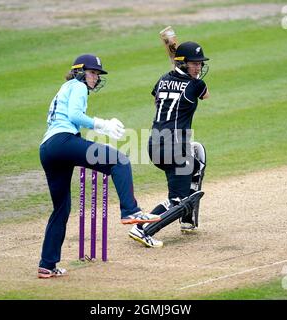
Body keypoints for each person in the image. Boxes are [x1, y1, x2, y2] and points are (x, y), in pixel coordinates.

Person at [38, 54, 161, 278]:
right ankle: (131, 211)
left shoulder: (66, 87)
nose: (95, 77)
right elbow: (74, 115)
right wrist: (102, 124)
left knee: (61, 208)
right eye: (93, 73)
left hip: (48, 149)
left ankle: (47, 264)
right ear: (80, 72)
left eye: (97, 74)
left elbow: (69, 117)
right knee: (120, 160)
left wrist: (97, 127)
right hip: (63, 142)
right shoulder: (78, 86)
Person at [128, 41, 210, 248]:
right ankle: (142, 227)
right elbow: (205, 96)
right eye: (194, 64)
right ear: (182, 63)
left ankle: (187, 219)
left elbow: (157, 99)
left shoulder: (163, 79)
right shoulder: (197, 85)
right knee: (177, 200)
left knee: (197, 155)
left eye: (200, 64)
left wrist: (179, 75)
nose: (198, 68)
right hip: (175, 147)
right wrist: (189, 80)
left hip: (155, 143)